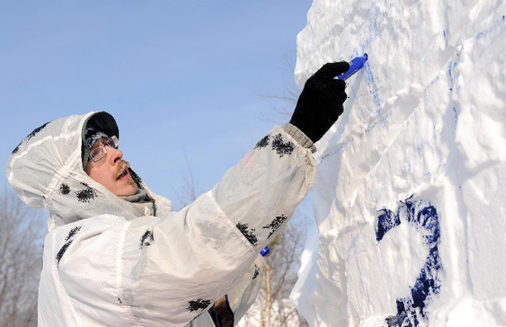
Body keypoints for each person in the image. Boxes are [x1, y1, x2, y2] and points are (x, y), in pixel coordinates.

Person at [6, 61, 349, 326]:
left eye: (110, 142)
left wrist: (253, 244)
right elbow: (188, 256)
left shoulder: (110, 245)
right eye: (94, 151)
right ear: (70, 187)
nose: (115, 152)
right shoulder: (81, 254)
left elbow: (204, 310)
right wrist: (296, 137)